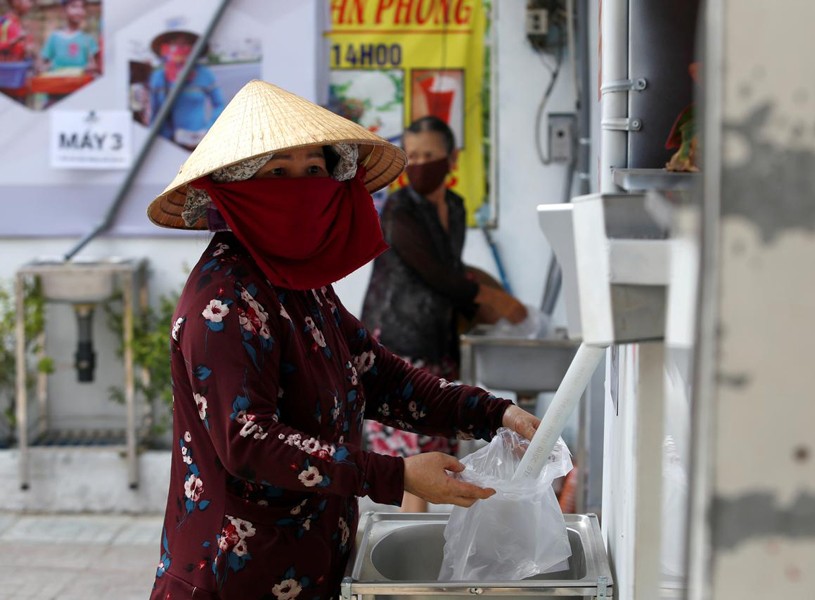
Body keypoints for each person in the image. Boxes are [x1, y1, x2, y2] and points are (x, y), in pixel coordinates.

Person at [145, 79, 540, 600]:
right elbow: (249, 440)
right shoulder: (224, 300)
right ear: (235, 189)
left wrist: (493, 414)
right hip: (232, 578)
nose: (302, 186)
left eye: (314, 170)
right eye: (277, 172)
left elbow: (380, 376)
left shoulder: (301, 283)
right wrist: (394, 474)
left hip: (311, 564)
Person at [361, 116, 528, 512]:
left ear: (451, 158)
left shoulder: (454, 206)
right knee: (414, 462)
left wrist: (481, 300)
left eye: (429, 155)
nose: (419, 164)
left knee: (439, 446)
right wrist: (489, 297)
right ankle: (410, 551)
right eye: (412, 156)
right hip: (399, 338)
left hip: (439, 338)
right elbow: (437, 274)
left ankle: (420, 546)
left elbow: (452, 270)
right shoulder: (399, 210)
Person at [148, 29, 224, 149]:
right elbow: (153, 113)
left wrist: (208, 130)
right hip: (166, 143)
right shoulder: (158, 77)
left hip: (199, 142)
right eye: (175, 44)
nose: (179, 49)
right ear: (166, 48)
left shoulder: (204, 74)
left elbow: (220, 106)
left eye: (185, 44)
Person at [38, 0, 98, 74]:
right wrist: (44, 68)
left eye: (82, 7)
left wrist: (92, 67)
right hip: (58, 83)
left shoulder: (88, 39)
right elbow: (41, 64)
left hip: (81, 83)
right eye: (74, 6)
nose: (79, 11)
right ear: (63, 10)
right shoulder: (54, 38)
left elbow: (95, 66)